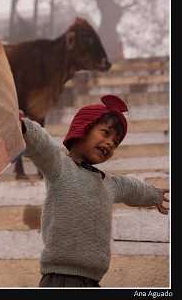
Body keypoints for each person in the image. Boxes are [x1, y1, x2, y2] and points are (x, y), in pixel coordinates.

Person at [19, 94, 169, 288]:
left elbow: (132, 188)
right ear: (82, 129)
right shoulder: (60, 167)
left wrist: (154, 195)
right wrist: (23, 128)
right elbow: (42, 145)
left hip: (93, 281)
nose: (110, 143)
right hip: (60, 278)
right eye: (105, 133)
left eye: (115, 143)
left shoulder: (108, 183)